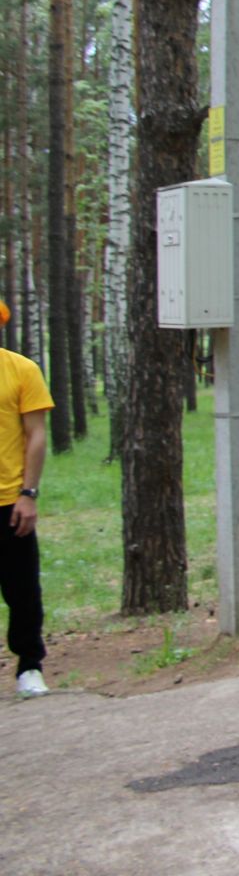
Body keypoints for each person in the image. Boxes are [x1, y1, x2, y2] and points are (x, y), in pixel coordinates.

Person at [0, 299, 51, 698]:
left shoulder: (21, 370)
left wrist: (28, 493)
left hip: (9, 500)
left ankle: (29, 666)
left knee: (22, 590)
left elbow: (36, 435)